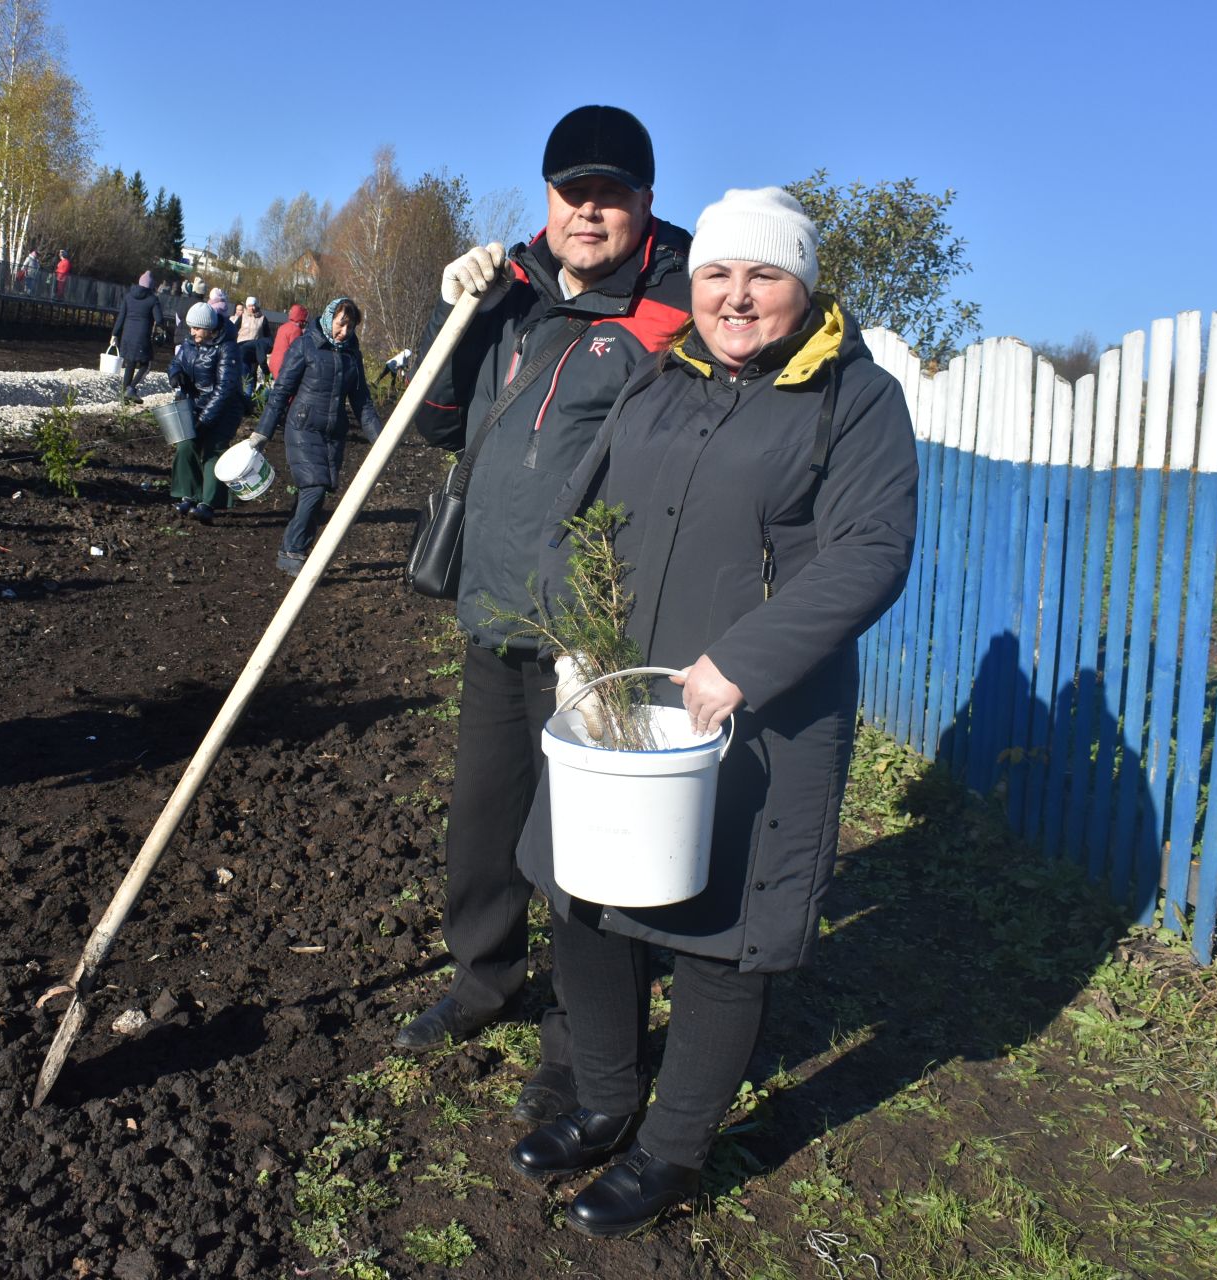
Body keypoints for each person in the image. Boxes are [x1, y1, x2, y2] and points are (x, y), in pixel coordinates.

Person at [505, 188, 917, 1236]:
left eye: (764, 274)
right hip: (624, 697)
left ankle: (671, 1150)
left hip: (760, 717)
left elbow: (873, 551)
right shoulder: (662, 374)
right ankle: (603, 1097)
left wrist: (741, 660)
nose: (737, 295)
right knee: (585, 893)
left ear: (804, 286)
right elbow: (576, 509)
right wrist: (572, 629)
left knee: (724, 936)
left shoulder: (851, 399)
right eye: (720, 273)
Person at [400, 105, 692, 1128]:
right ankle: (485, 982)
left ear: (647, 202)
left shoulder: (678, 307)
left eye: (611, 193)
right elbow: (439, 425)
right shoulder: (513, 290)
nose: (588, 210)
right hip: (495, 609)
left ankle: (582, 1041)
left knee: (585, 850)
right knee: (481, 826)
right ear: (548, 196)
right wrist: (462, 320)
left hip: (595, 634)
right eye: (572, 191)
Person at [248, 297, 383, 577]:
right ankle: (295, 550)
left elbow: (363, 403)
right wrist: (262, 432)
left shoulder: (352, 355)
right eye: (341, 324)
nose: (344, 332)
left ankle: (289, 549)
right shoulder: (306, 345)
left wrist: (381, 439)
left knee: (316, 494)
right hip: (302, 427)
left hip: (333, 434)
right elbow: (282, 391)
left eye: (351, 327)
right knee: (314, 488)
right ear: (330, 318)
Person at [166, 301, 242, 522]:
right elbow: (176, 362)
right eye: (191, 328)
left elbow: (225, 389)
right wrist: (175, 374)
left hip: (224, 409)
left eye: (197, 328)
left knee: (212, 451)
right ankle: (189, 494)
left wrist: (205, 419)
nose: (192, 332)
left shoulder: (227, 348)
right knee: (185, 446)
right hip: (195, 405)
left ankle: (209, 502)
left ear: (209, 328)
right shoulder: (190, 343)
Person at [111, 271, 163, 402]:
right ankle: (131, 388)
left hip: (127, 336)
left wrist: (114, 334)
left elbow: (121, 317)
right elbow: (159, 319)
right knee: (146, 365)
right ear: (151, 286)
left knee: (130, 363)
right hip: (142, 337)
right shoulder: (152, 299)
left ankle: (123, 397)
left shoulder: (128, 297)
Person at [235, 295, 269, 395]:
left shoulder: (262, 319)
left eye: (253, 305)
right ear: (246, 306)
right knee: (242, 374)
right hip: (241, 349)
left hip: (255, 351)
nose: (252, 308)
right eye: (249, 306)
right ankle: (241, 394)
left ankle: (250, 396)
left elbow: (267, 336)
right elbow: (234, 330)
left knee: (252, 374)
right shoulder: (242, 317)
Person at [268, 303, 309, 380]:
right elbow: (296, 352)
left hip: (273, 362)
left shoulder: (283, 327)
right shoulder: (296, 330)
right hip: (283, 365)